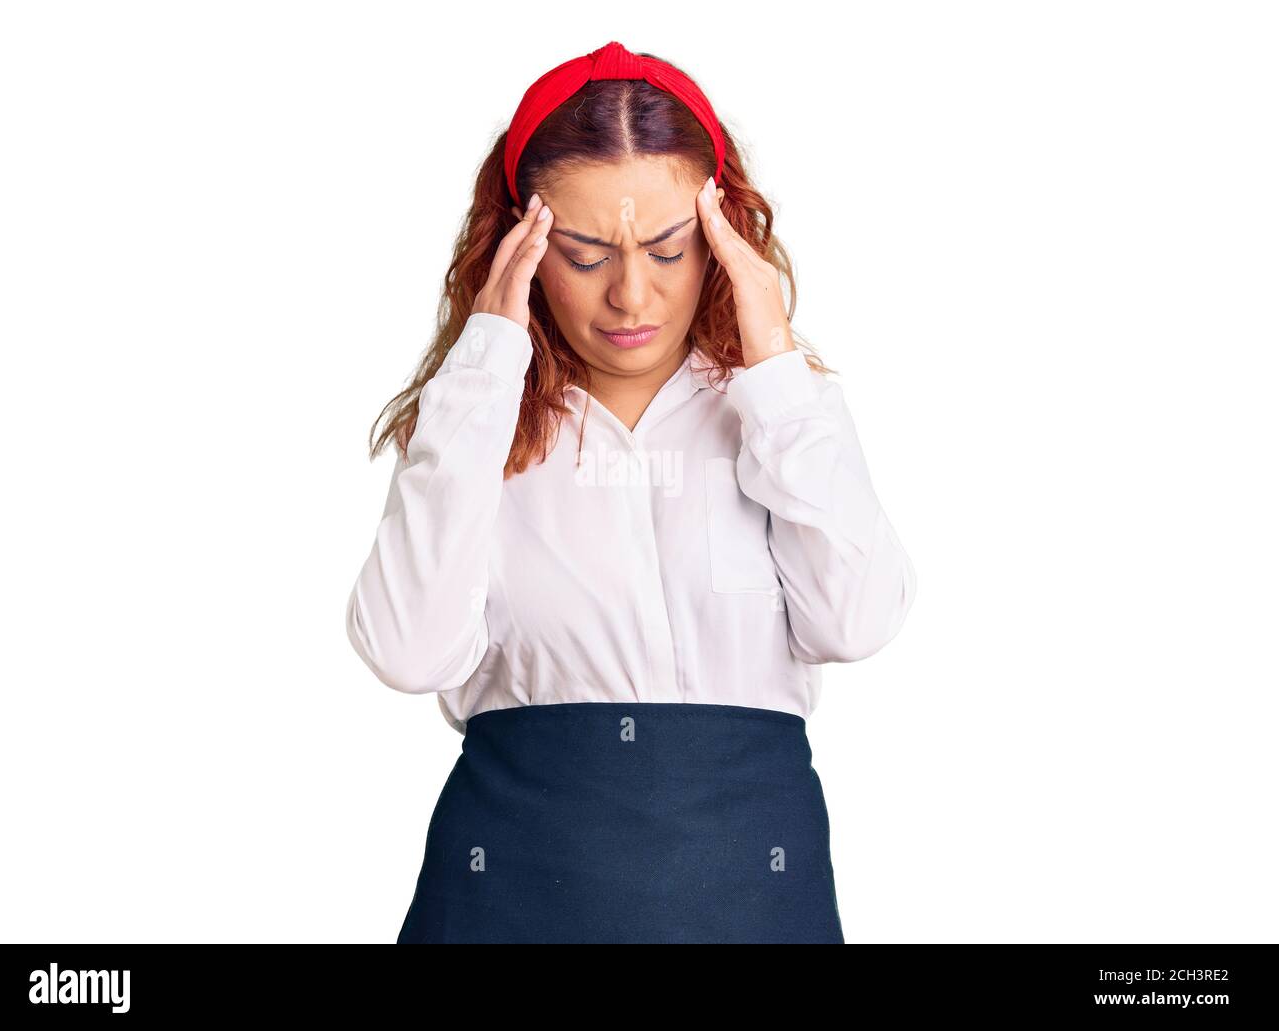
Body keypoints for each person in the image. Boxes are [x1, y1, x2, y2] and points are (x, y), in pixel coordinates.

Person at [345, 41, 917, 944]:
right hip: (509, 908)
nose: (631, 294)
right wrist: (483, 367)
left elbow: (860, 619)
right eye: (582, 254)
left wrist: (773, 364)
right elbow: (407, 653)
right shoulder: (476, 429)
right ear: (521, 250)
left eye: (668, 248)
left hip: (755, 909)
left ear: (722, 238)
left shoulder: (776, 415)